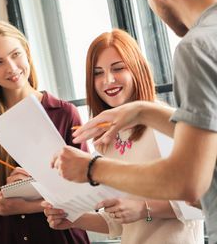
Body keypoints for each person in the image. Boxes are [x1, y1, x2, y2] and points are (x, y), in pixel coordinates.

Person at [50, 0, 217, 242]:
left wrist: (92, 168)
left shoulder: (197, 48)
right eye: (99, 73)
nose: (109, 80)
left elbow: (189, 181)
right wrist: (142, 111)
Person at [44, 29, 203, 244]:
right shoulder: (106, 139)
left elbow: (200, 203)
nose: (108, 80)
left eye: (118, 68)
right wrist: (73, 220)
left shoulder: (162, 123)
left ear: (137, 70)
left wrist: (143, 209)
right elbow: (118, 223)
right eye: (97, 73)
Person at [0, 21, 89, 244]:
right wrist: (6, 198)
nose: (11, 67)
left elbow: (87, 194)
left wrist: (29, 198)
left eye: (15, 54)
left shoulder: (65, 114)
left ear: (27, 52)